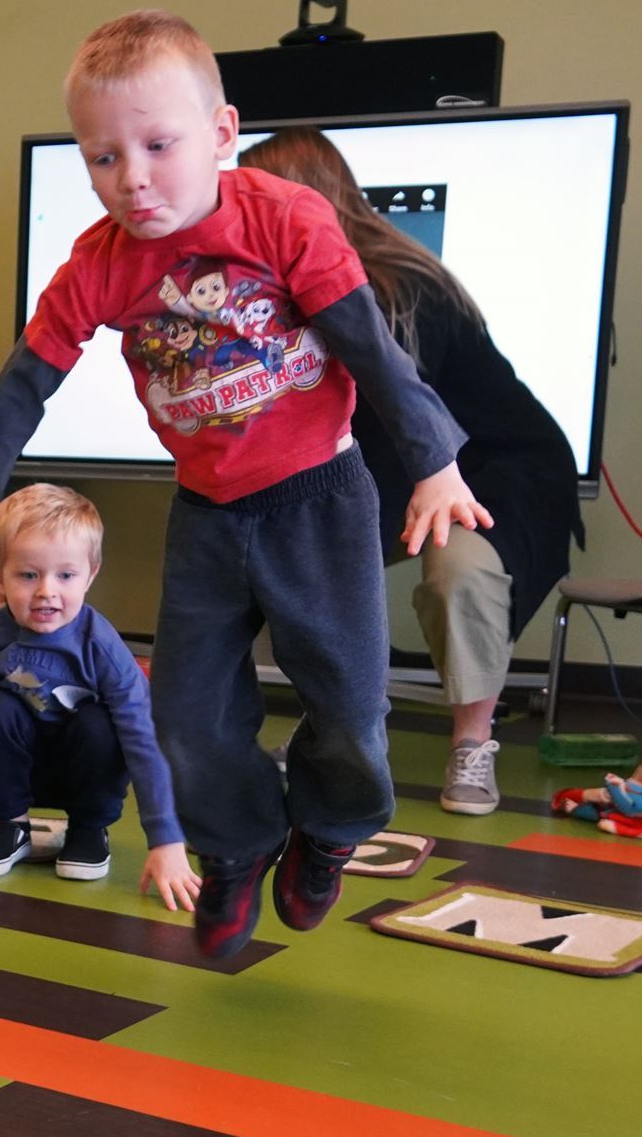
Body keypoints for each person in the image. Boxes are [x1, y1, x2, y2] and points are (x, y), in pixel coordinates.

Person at [0, 10, 488, 957]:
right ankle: (239, 846)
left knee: (348, 704)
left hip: (318, 500)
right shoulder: (101, 262)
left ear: (221, 134)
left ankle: (329, 828)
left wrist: (434, 461)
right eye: (101, 157)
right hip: (208, 512)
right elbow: (22, 386)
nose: (130, 178)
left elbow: (371, 353)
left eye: (158, 146)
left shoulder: (286, 219)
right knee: (188, 715)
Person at [240, 126, 582, 814]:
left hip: (496, 464)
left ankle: (471, 746)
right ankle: (331, 740)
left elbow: (396, 426)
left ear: (305, 200)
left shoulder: (400, 288)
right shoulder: (290, 286)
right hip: (412, 462)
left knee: (459, 574)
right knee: (310, 571)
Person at [0, 484, 201, 908]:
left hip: (84, 772)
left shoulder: (101, 646)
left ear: (91, 573)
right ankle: (9, 825)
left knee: (101, 722)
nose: (47, 590)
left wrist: (167, 841)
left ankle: (88, 829)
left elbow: (143, 740)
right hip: (15, 772)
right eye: (28, 575)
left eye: (65, 576)